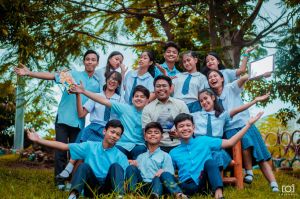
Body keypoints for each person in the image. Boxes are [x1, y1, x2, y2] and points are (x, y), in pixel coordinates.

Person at [14, 50, 101, 188]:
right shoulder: (73, 74)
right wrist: (29, 73)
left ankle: (71, 181)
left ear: (97, 62)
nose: (90, 61)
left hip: (79, 122)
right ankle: (59, 181)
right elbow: (51, 76)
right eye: (87, 59)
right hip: (63, 118)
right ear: (84, 61)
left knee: (75, 153)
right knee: (60, 151)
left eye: (93, 59)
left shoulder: (97, 83)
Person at [207, 69, 279, 192]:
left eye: (215, 76)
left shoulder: (230, 88)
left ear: (222, 78)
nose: (212, 78)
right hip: (228, 130)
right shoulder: (212, 98)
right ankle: (248, 172)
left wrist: (261, 73)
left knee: (260, 155)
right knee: (242, 147)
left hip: (245, 124)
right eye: (210, 77)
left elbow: (245, 78)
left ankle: (273, 185)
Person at [27, 120, 129, 199]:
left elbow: (124, 179)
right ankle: (73, 196)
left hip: (109, 188)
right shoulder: (90, 146)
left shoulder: (120, 156)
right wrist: (39, 140)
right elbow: (64, 146)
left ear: (120, 137)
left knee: (116, 166)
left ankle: (119, 196)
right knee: (83, 166)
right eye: (112, 132)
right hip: (91, 186)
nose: (114, 136)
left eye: (118, 134)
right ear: (104, 131)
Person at [170, 112, 263, 198]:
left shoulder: (204, 140)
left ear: (193, 128)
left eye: (188, 125)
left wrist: (248, 125)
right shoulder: (173, 153)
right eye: (181, 126)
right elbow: (170, 172)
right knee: (165, 174)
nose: (185, 128)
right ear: (176, 131)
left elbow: (231, 142)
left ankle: (218, 194)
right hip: (186, 187)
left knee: (210, 162)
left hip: (204, 183)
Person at [56, 71, 123, 180]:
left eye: (116, 79)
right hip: (93, 128)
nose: (112, 81)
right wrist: (78, 95)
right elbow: (81, 114)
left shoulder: (120, 100)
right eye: (110, 78)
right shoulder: (96, 96)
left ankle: (71, 167)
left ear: (119, 84)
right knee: (82, 153)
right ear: (106, 80)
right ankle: (72, 178)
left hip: (107, 132)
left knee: (87, 155)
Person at [192, 88, 270, 170]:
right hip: (200, 146)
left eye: (205, 98)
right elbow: (181, 121)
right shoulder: (195, 115)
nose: (204, 102)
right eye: (201, 101)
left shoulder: (222, 116)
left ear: (213, 98)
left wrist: (254, 101)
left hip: (216, 146)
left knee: (219, 156)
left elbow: (238, 110)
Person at [70, 84, 150, 160]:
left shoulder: (149, 114)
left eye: (142, 97)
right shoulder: (125, 108)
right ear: (132, 99)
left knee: (141, 153)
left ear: (147, 100)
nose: (139, 98)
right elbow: (104, 101)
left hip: (139, 145)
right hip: (122, 144)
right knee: (114, 155)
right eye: (136, 96)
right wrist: (84, 91)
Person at [125, 122, 187, 199]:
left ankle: (177, 195)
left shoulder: (165, 156)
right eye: (149, 132)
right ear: (145, 137)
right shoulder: (140, 157)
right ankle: (132, 193)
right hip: (142, 186)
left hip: (158, 185)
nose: (153, 134)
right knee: (131, 168)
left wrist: (163, 171)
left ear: (161, 137)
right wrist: (133, 166)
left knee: (161, 176)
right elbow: (136, 174)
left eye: (156, 132)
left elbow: (169, 175)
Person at [142, 75, 189, 153]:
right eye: (158, 86)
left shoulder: (181, 104)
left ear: (170, 88)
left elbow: (188, 126)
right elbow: (146, 132)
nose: (161, 88)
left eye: (164, 86)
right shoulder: (147, 108)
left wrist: (180, 134)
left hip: (180, 145)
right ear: (154, 89)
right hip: (157, 147)